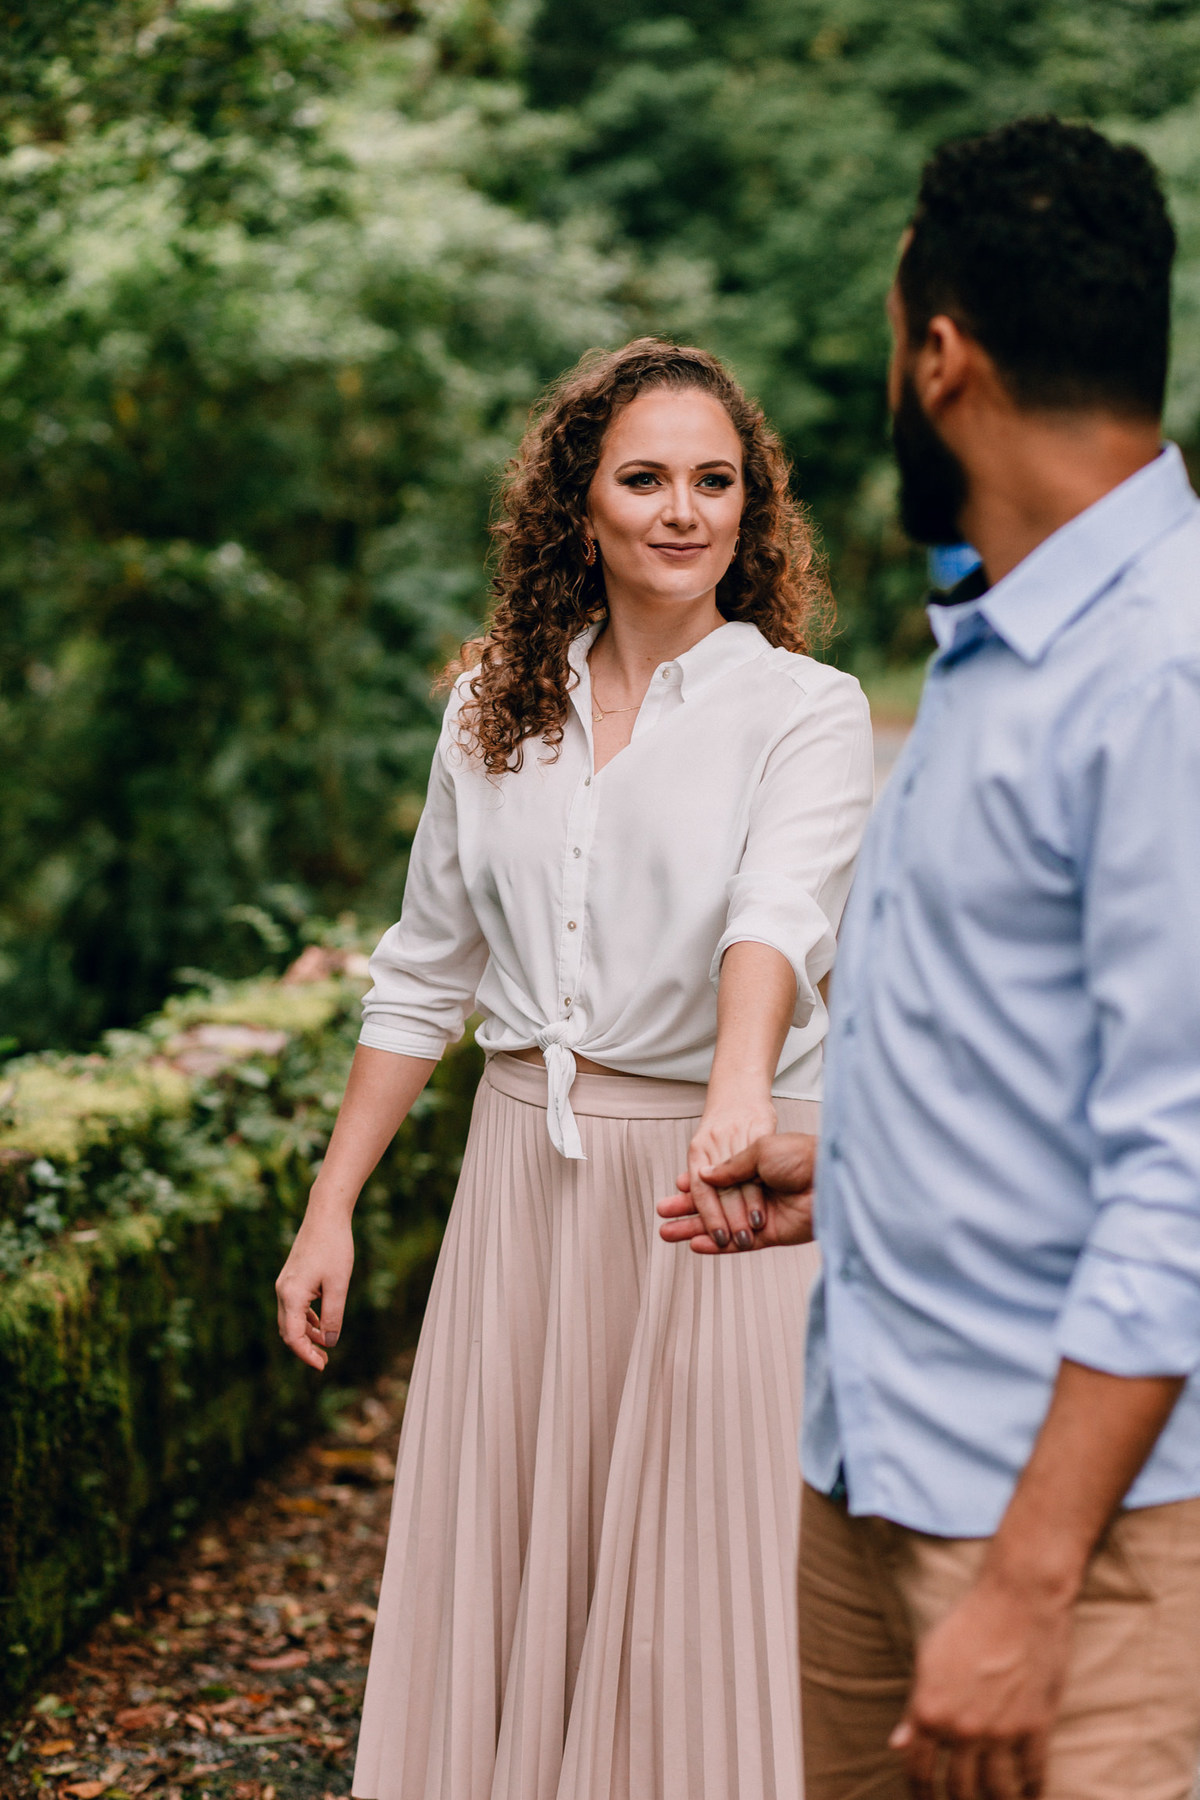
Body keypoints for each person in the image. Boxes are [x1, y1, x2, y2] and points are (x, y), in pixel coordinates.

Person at [659, 117, 1200, 1799]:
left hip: (1068, 1548)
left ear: (942, 358)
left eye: (897, 336)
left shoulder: (1167, 677)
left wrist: (1028, 1591)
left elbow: (1187, 1174)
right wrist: (855, 1170)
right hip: (870, 1476)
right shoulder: (996, 641)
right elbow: (1032, 1050)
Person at [275, 337, 874, 1800]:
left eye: (715, 481)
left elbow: (774, 918)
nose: (684, 511)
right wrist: (331, 1207)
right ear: (580, 503)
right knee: (514, 1565)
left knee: (705, 1594)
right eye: (646, 478)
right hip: (523, 1184)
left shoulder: (808, 709)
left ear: (753, 510)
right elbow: (426, 971)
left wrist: (736, 1098)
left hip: (717, 1190)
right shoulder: (493, 704)